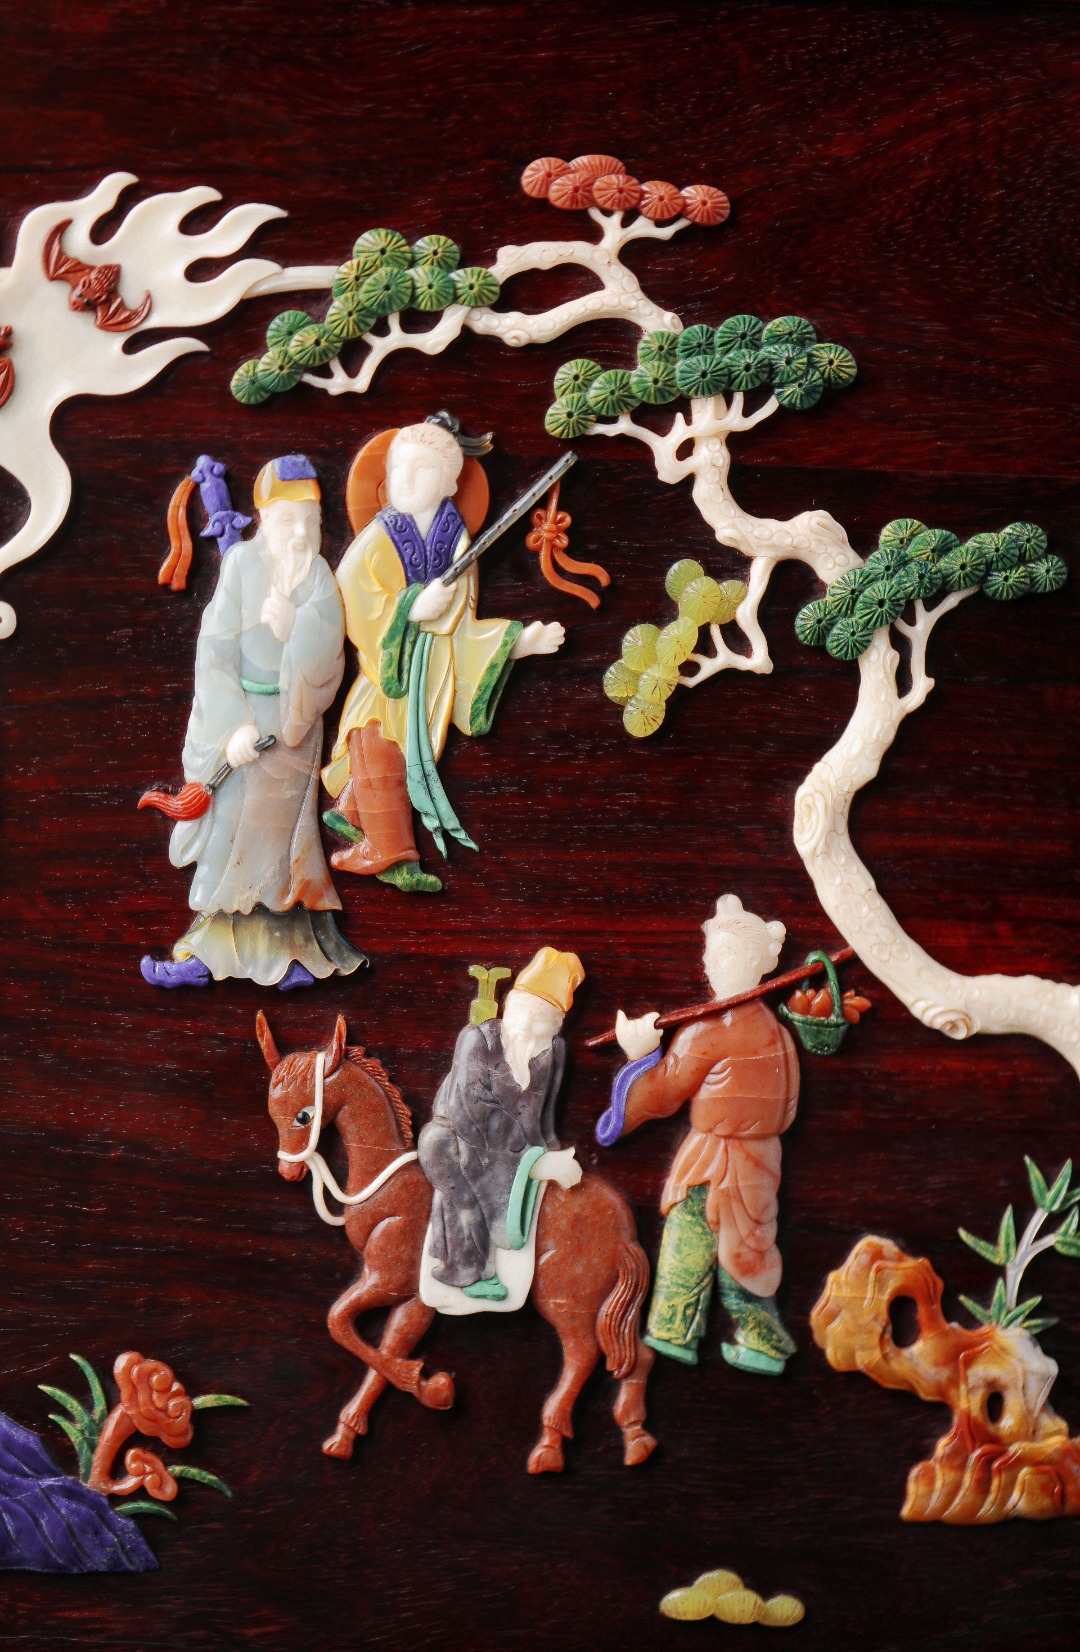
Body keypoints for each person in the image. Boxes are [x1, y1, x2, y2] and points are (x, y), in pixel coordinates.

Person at [140, 455, 366, 990]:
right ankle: (208, 955)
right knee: (229, 835)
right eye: (288, 520)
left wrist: (297, 628)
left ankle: (295, 957)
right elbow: (214, 648)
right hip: (243, 720)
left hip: (293, 724)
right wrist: (233, 725)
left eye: (311, 521)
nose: (301, 534)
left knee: (285, 843)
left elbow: (329, 655)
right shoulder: (242, 564)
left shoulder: (319, 575)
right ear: (264, 519)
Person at [321, 418, 564, 893]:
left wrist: (514, 642)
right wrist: (410, 608)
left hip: (431, 665)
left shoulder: (455, 538)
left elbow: (462, 621)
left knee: (387, 745)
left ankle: (353, 812)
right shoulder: (379, 536)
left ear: (452, 483)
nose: (405, 480)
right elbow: (352, 591)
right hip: (388, 666)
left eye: (421, 470)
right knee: (378, 740)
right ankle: (392, 854)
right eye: (398, 469)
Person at [597, 895, 799, 1374]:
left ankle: (709, 1335)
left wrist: (639, 1055)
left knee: (718, 1244)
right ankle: (683, 1332)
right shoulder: (776, 1030)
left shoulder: (709, 1032)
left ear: (755, 963)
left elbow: (662, 1095)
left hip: (719, 1158)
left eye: (723, 954)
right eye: (711, 954)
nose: (710, 964)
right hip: (759, 1157)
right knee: (743, 1245)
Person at [417, 947, 585, 1299]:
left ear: (557, 1025)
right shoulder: (477, 1039)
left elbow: (545, 1110)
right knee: (468, 1203)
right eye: (522, 1014)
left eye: (541, 1020)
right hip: (455, 1141)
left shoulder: (553, 1050)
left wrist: (548, 1147)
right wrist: (532, 1161)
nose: (526, 1028)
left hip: (512, 1147)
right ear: (508, 1007)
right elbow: (471, 1113)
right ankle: (467, 1272)